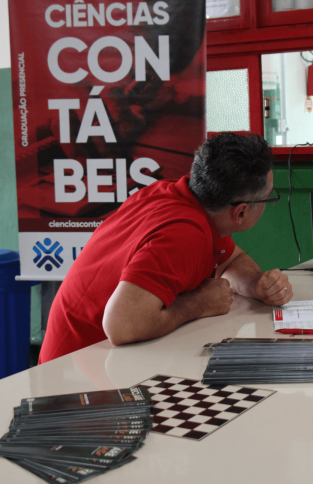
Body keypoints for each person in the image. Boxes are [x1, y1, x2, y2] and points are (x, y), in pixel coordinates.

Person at [39, 132, 293, 363]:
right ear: (241, 212)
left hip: (93, 360)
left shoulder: (178, 196)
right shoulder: (184, 234)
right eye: (269, 198)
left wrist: (258, 285)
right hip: (74, 372)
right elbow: (122, 325)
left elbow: (230, 260)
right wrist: (198, 304)